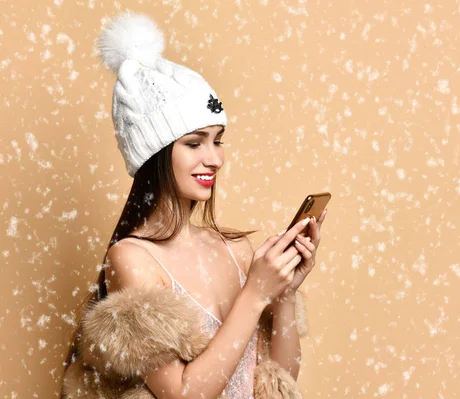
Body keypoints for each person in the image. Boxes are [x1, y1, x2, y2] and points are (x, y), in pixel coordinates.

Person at [60, 12, 327, 399]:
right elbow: (182, 394)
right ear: (156, 153)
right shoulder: (133, 258)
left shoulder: (237, 250)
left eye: (218, 140)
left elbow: (277, 382)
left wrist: (282, 293)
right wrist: (254, 294)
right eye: (194, 143)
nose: (215, 158)